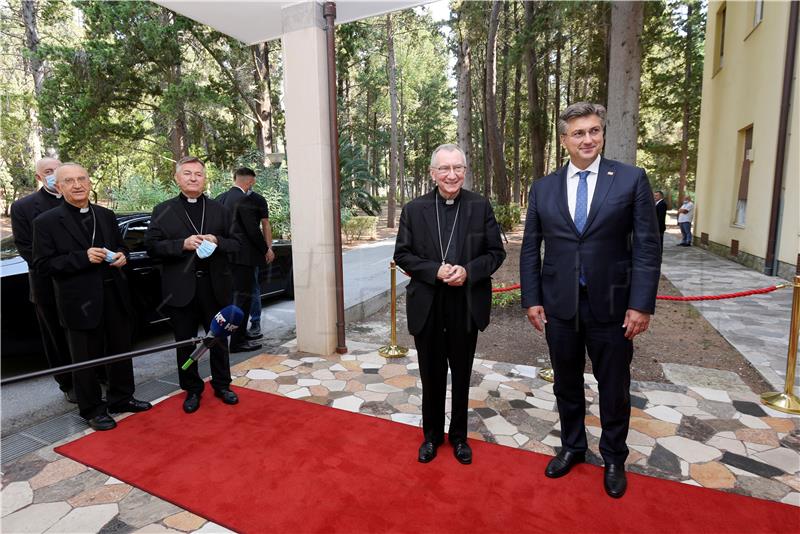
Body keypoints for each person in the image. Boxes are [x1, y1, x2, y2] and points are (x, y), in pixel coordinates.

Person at [520, 102, 660, 498]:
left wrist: (641, 303)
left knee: (614, 385)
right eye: (579, 133)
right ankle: (573, 447)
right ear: (564, 140)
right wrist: (532, 298)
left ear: (602, 134)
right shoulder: (543, 187)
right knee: (566, 382)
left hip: (614, 306)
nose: (588, 139)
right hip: (559, 304)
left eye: (594, 131)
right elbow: (532, 248)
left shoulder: (631, 180)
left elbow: (648, 248)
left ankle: (614, 456)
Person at [394, 143, 505, 465]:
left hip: (464, 305)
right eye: (444, 168)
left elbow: (495, 253)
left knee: (461, 373)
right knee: (431, 376)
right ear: (433, 173)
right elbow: (402, 254)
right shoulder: (414, 209)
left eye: (458, 168)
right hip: (427, 304)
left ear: (465, 172)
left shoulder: (480, 206)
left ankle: (458, 437)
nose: (452, 175)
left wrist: (468, 271)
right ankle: (431, 436)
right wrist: (434, 270)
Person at [32, 163, 151, 430]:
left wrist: (123, 256)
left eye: (82, 179)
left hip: (114, 295)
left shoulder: (105, 215)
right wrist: (81, 258)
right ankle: (92, 409)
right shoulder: (46, 222)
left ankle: (122, 397)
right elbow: (42, 265)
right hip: (78, 301)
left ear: (89, 181)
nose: (77, 185)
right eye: (70, 181)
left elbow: (120, 247)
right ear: (59, 187)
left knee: (120, 350)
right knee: (85, 358)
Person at [145, 156, 241, 413]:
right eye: (187, 173)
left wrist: (218, 240)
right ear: (177, 178)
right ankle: (192, 388)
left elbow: (237, 244)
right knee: (185, 344)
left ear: (205, 178)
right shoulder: (163, 210)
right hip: (181, 290)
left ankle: (222, 385)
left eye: (198, 174)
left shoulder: (220, 210)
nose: (193, 178)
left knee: (219, 340)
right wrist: (181, 245)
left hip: (215, 288)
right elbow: (151, 247)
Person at [11, 157, 76, 402]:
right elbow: (27, 249)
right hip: (47, 285)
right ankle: (68, 384)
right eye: (49, 171)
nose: (55, 174)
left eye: (58, 169)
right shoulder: (23, 207)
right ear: (39, 177)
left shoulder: (77, 198)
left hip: (81, 284)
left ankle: (95, 375)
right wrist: (66, 264)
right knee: (56, 338)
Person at [215, 167, 272, 352]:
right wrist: (266, 249)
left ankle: (241, 334)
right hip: (244, 258)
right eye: (251, 184)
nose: (251, 187)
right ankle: (238, 342)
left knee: (235, 298)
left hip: (227, 256)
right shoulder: (243, 199)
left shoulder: (221, 198)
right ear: (248, 182)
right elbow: (252, 230)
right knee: (244, 299)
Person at [246, 190, 276, 338]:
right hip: (232, 254)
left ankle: (255, 322)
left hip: (251, 253)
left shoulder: (258, 199)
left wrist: (268, 248)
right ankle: (242, 325)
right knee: (246, 289)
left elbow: (265, 224)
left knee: (252, 288)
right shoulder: (225, 198)